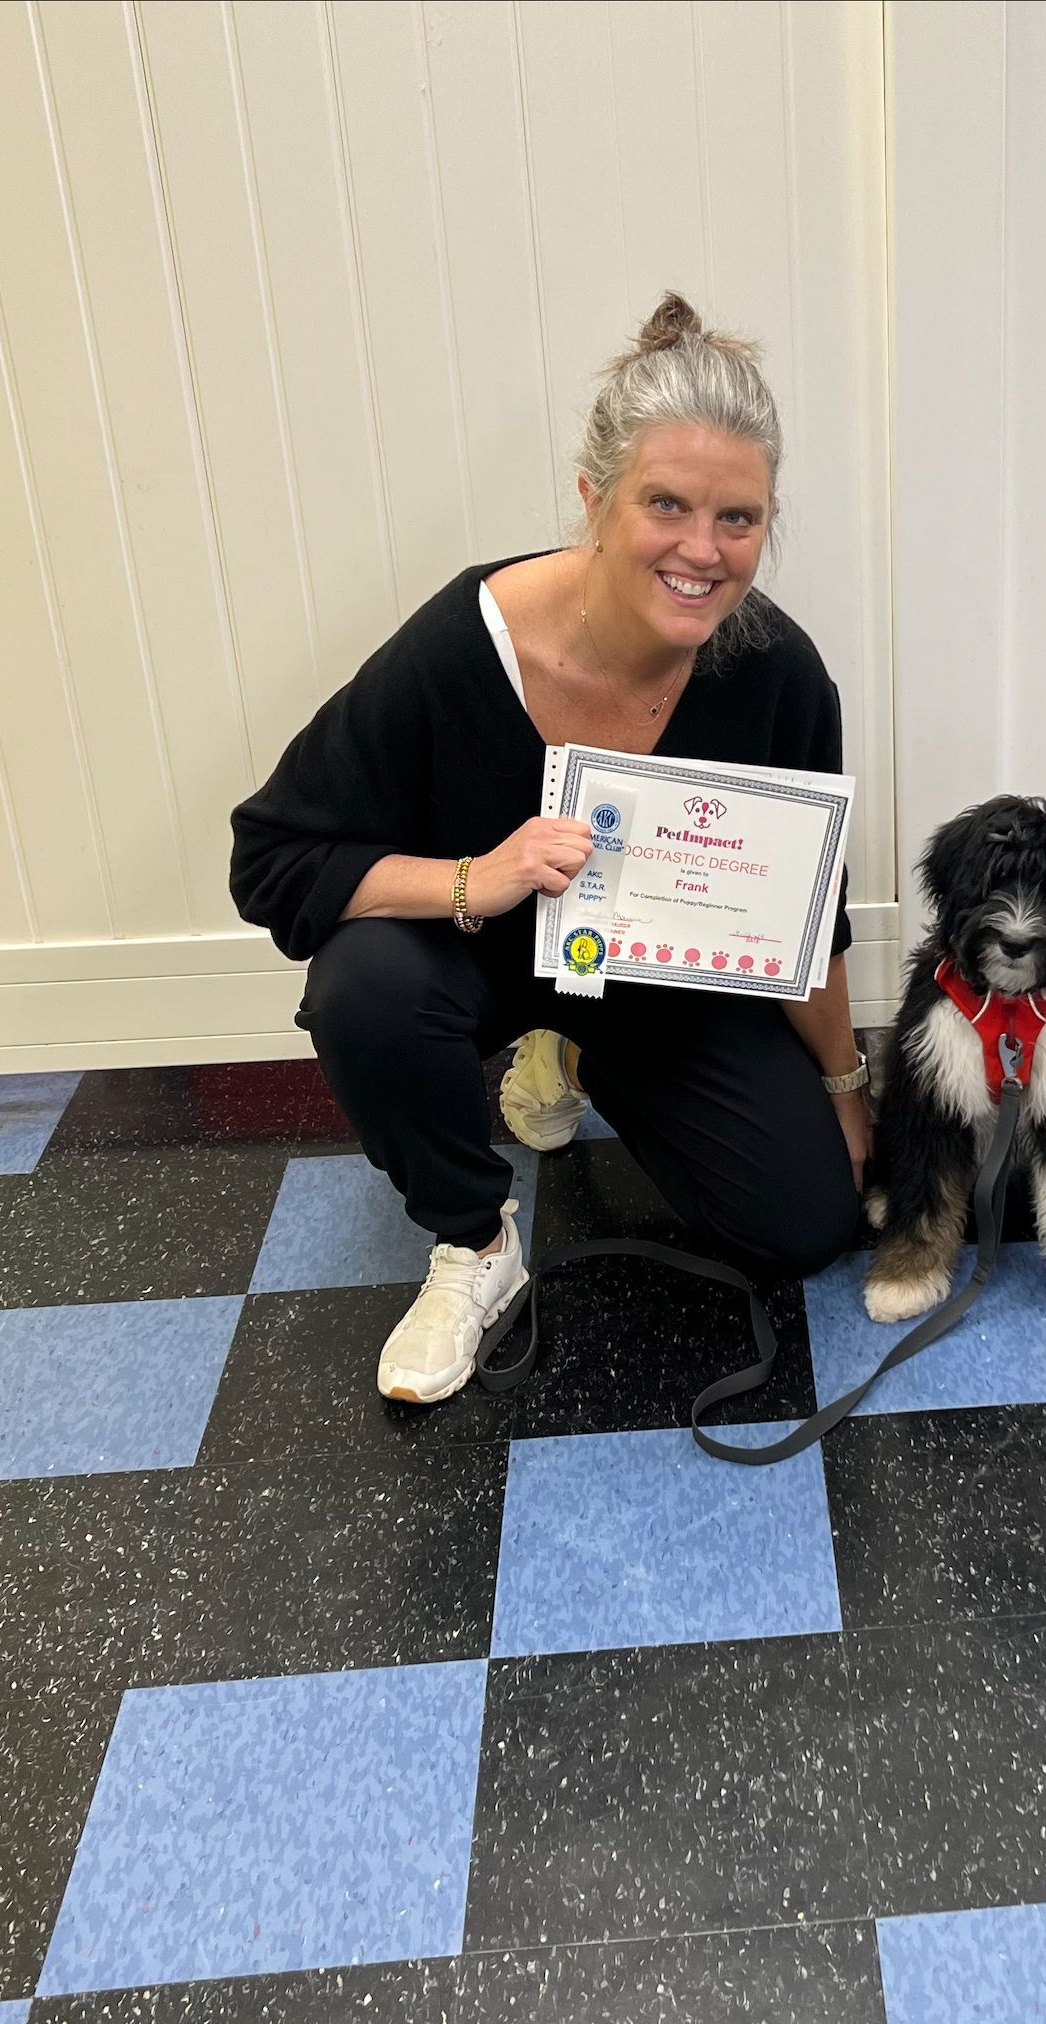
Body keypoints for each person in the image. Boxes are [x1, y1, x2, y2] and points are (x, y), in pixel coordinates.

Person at [229, 294, 870, 1404]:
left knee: (806, 1226)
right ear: (594, 500)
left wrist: (846, 1092)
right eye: (665, 505)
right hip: (475, 949)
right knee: (364, 985)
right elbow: (272, 855)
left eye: (737, 519)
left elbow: (803, 917)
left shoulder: (779, 675)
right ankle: (475, 1245)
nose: (701, 551)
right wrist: (482, 877)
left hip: (653, 984)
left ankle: (570, 1053)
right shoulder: (461, 641)